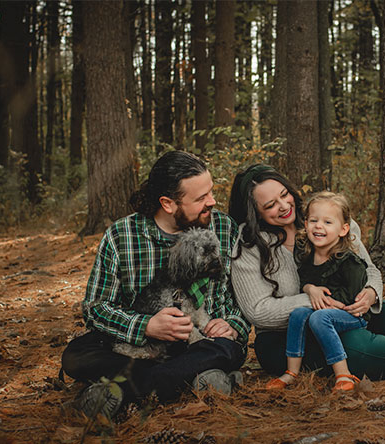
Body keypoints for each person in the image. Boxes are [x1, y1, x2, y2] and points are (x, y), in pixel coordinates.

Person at [229, 164, 385, 382]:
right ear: (255, 213)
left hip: (351, 311)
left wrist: (371, 292)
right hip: (286, 336)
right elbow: (257, 311)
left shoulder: (321, 219)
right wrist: (315, 299)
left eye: (285, 194)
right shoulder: (248, 247)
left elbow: (368, 268)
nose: (284, 205)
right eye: (271, 205)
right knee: (360, 350)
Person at [61, 151, 250, 419]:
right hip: (140, 347)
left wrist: (231, 323)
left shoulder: (223, 227)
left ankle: (122, 391)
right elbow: (95, 309)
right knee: (76, 354)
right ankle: (195, 380)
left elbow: (243, 300)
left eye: (211, 192)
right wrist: (146, 326)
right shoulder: (121, 236)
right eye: (200, 198)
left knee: (227, 348)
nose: (212, 202)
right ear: (168, 203)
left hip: (202, 342)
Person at [266, 191, 370, 392]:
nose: (319, 226)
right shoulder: (307, 254)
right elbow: (304, 279)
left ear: (343, 229)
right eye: (314, 220)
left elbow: (352, 295)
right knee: (298, 313)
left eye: (328, 222)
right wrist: (310, 288)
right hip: (324, 310)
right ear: (305, 224)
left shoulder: (349, 262)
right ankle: (291, 372)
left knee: (319, 318)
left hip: (353, 314)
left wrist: (330, 302)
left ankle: (343, 374)